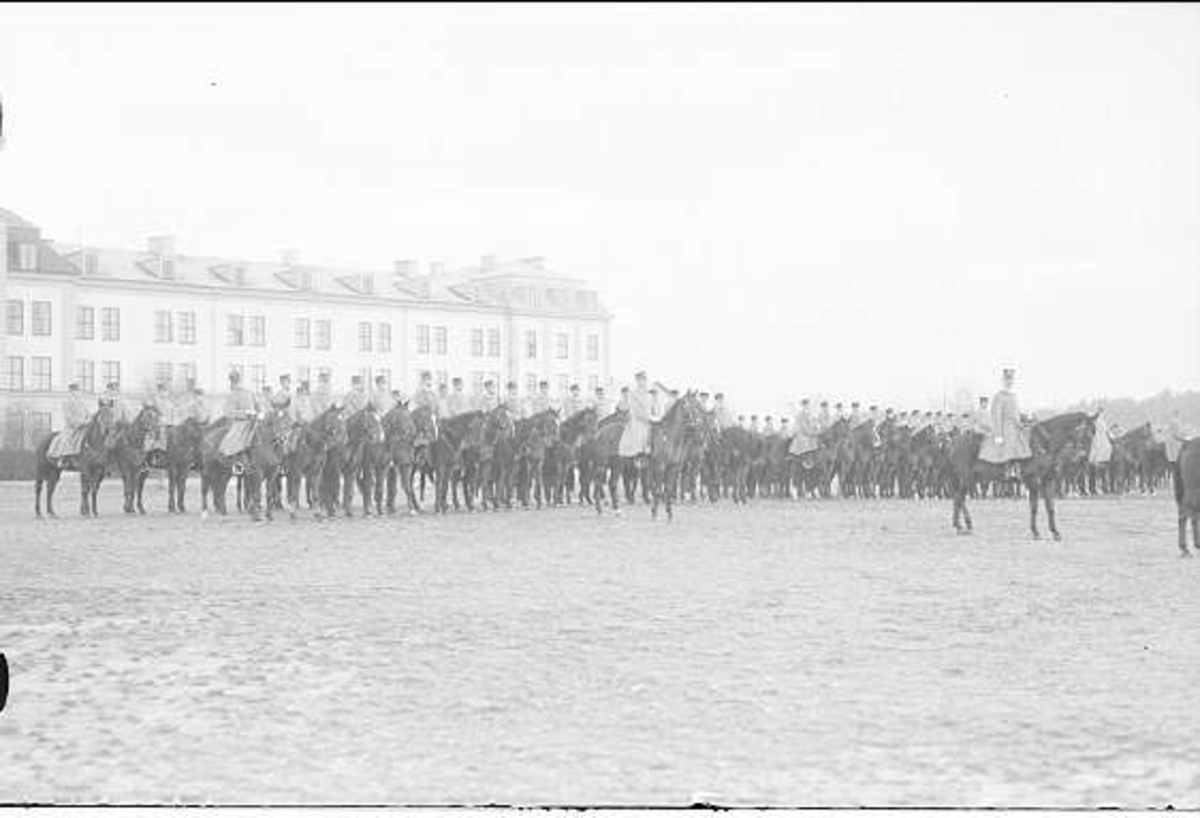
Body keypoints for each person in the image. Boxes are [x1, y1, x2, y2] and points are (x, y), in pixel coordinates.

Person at [978, 367, 1032, 480]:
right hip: (1004, 426)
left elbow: (1016, 414)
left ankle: (1020, 468)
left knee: (1026, 439)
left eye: (1011, 380)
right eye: (1007, 380)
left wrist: (1023, 422)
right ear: (1003, 381)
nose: (1009, 382)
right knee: (1011, 440)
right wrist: (998, 434)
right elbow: (996, 415)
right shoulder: (999, 396)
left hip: (1015, 426)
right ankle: (1008, 469)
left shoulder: (1014, 396)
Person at [218, 369, 257, 461]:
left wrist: (257, 413)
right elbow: (228, 412)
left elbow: (257, 405)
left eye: (236, 380)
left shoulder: (249, 393)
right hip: (240, 423)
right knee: (230, 441)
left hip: (254, 422)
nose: (235, 383)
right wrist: (245, 414)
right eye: (233, 380)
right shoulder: (232, 395)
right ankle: (235, 462)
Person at [48, 382, 92, 460]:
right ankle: (62, 458)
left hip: (84, 427)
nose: (77, 393)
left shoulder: (82, 403)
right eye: (74, 391)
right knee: (66, 440)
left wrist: (88, 421)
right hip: (72, 427)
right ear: (70, 391)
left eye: (78, 391)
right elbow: (68, 417)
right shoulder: (66, 402)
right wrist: (79, 423)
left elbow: (88, 414)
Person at [618, 371, 653, 459]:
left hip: (648, 420)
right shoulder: (633, 394)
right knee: (638, 433)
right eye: (640, 380)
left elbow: (651, 409)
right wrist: (646, 418)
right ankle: (637, 454)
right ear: (637, 381)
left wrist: (653, 418)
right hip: (637, 421)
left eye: (644, 380)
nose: (642, 382)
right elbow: (634, 410)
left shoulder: (649, 395)